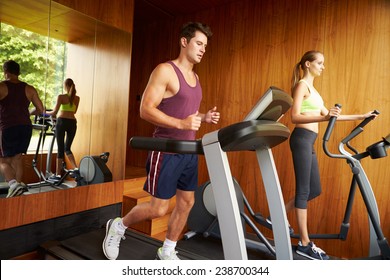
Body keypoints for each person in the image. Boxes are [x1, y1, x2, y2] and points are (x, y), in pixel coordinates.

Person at [102, 22, 220, 260]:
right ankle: (118, 225)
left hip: (188, 150)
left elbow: (186, 114)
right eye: (199, 43)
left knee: (187, 202)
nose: (202, 49)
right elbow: (146, 110)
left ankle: (167, 250)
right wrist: (181, 124)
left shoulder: (195, 78)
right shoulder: (165, 71)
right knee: (159, 208)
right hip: (165, 150)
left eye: (205, 46)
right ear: (184, 42)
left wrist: (203, 117)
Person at [286, 50, 377, 260]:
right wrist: (323, 117)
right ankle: (304, 243)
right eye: (319, 63)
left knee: (314, 189)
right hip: (300, 138)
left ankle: (277, 216)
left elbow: (330, 117)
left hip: (309, 141)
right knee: (303, 191)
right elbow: (294, 117)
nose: (322, 67)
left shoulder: (315, 92)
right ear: (307, 64)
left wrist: (361, 116)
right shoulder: (302, 85)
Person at [0, 60, 44, 197]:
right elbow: (41, 109)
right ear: (18, 72)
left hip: (7, 127)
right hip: (25, 127)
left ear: (6, 72)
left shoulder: (2, 86)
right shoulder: (29, 88)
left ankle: (13, 184)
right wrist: (28, 113)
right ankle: (17, 191)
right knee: (17, 159)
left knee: (2, 161)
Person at [47, 78, 80, 180]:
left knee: (60, 149)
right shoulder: (77, 98)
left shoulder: (61, 97)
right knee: (67, 148)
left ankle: (57, 175)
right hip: (72, 123)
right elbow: (74, 112)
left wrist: (43, 112)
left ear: (65, 86)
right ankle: (75, 168)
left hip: (62, 122)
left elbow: (54, 112)